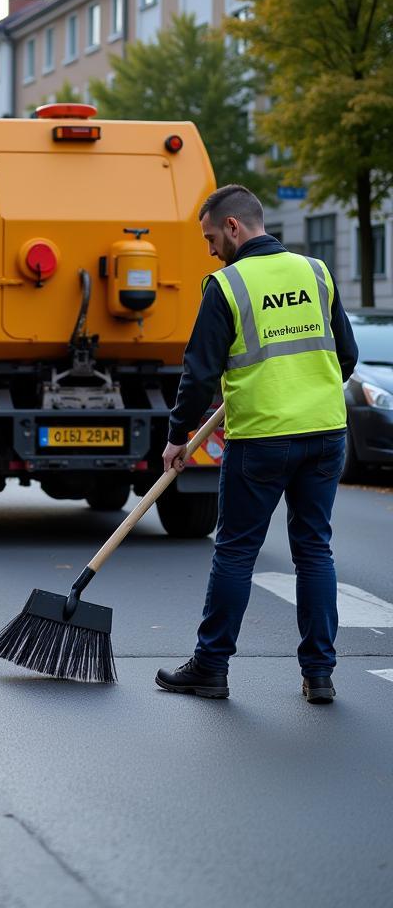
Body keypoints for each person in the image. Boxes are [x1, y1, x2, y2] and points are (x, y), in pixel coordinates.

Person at [156, 184, 357, 705]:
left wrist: (177, 438)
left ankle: (211, 668)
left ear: (233, 227)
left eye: (209, 237)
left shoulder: (226, 286)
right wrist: (306, 389)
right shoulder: (317, 273)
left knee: (236, 552)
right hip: (325, 433)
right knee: (314, 550)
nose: (209, 250)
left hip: (262, 440)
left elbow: (198, 375)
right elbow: (346, 356)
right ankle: (319, 675)